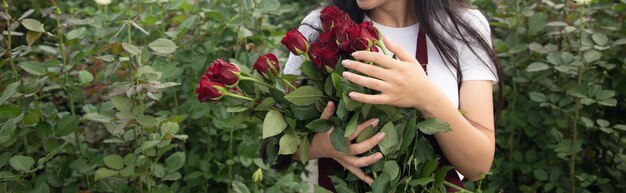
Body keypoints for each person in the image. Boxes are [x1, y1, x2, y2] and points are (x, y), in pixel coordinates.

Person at [281, 0, 502, 191]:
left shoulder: (462, 26)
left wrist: (426, 98)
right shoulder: (320, 27)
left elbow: (478, 167)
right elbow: (277, 144)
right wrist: (323, 145)